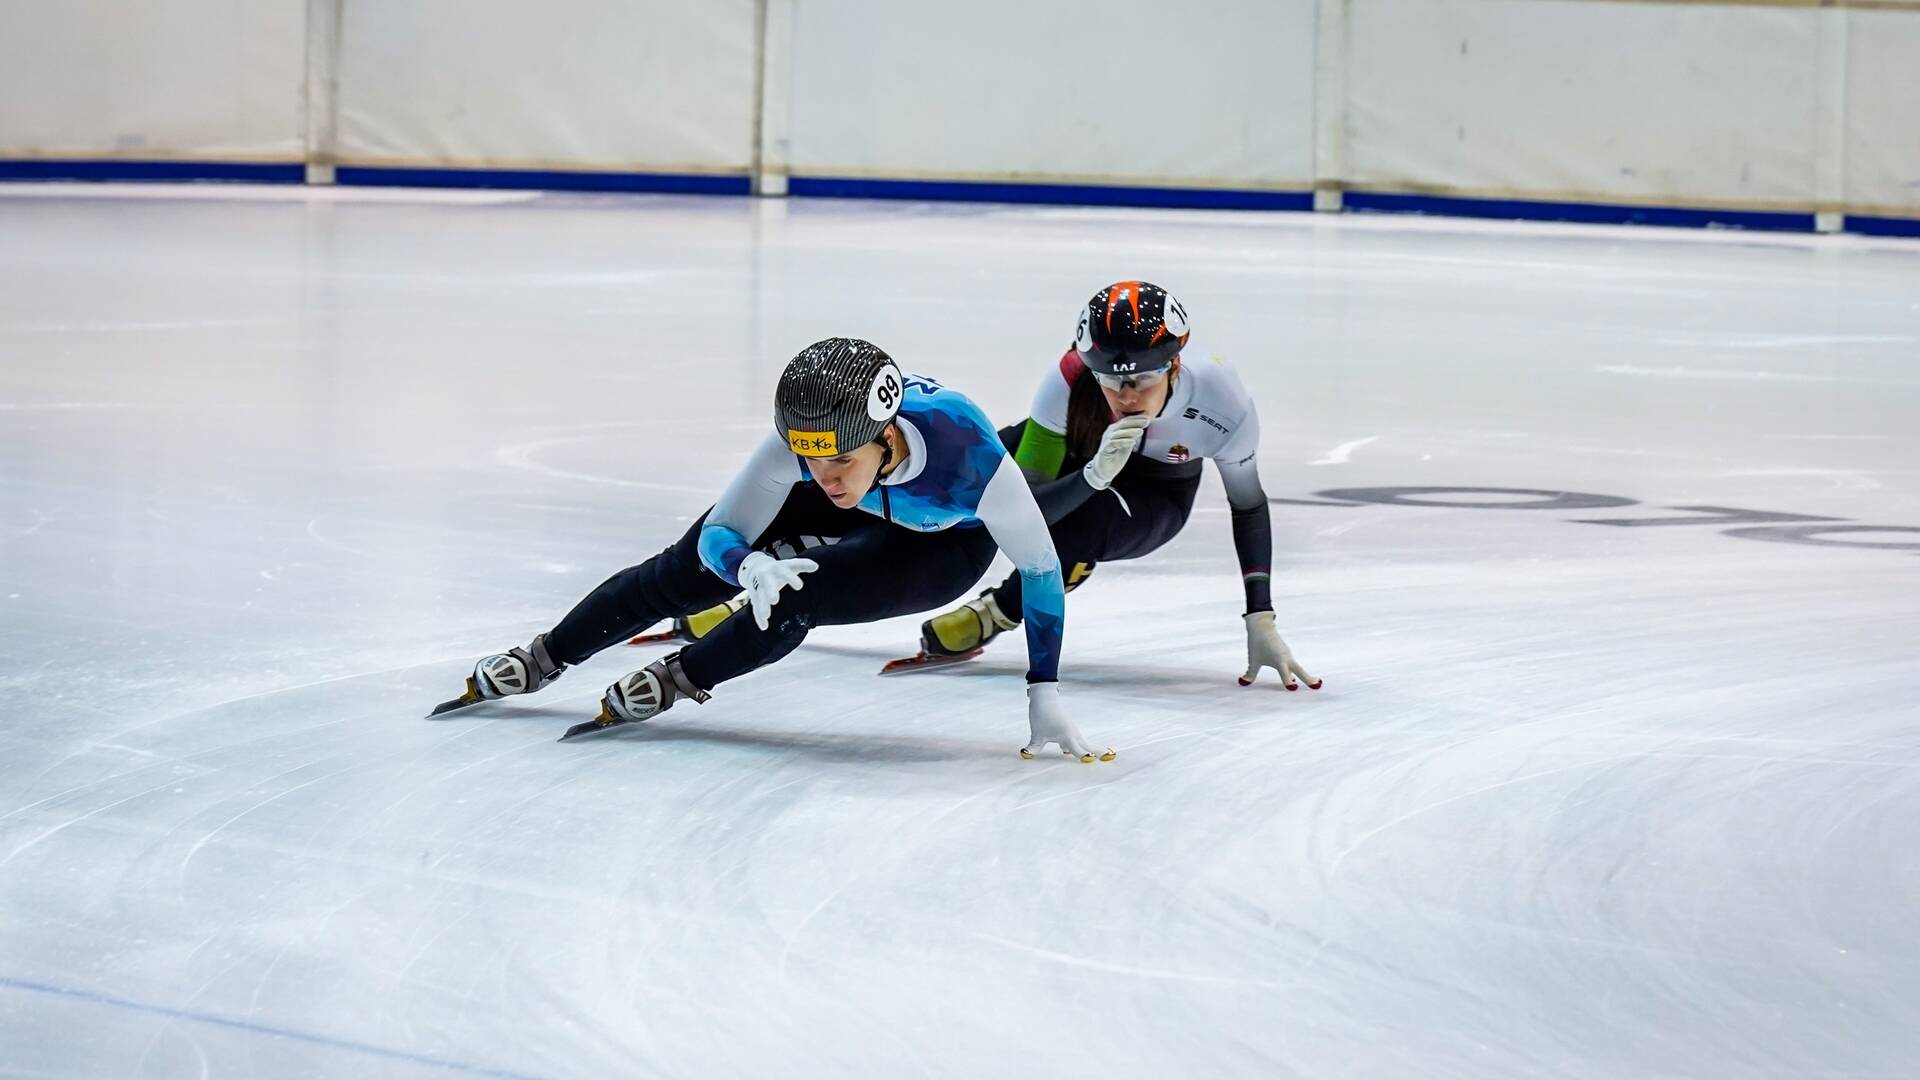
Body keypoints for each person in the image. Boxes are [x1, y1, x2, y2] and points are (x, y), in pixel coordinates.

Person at [434, 337, 1114, 762]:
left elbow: (1040, 564)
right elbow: (716, 537)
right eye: (810, 459)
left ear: (887, 437)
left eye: (842, 460)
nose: (826, 476)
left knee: (795, 605)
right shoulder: (812, 445)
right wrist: (747, 562)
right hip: (870, 504)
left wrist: (1043, 687)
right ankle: (546, 655)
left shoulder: (966, 454)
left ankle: (681, 678)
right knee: (685, 573)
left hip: (939, 546)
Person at [917, 281, 1321, 691]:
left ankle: (997, 611)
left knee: (1076, 521)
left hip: (1156, 496)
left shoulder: (1222, 399)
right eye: (1109, 380)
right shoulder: (1069, 379)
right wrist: (1090, 474)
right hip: (1083, 449)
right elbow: (1025, 500)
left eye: (1144, 379)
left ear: (1175, 366)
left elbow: (1248, 505)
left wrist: (1260, 615)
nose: (1127, 396)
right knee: (974, 462)